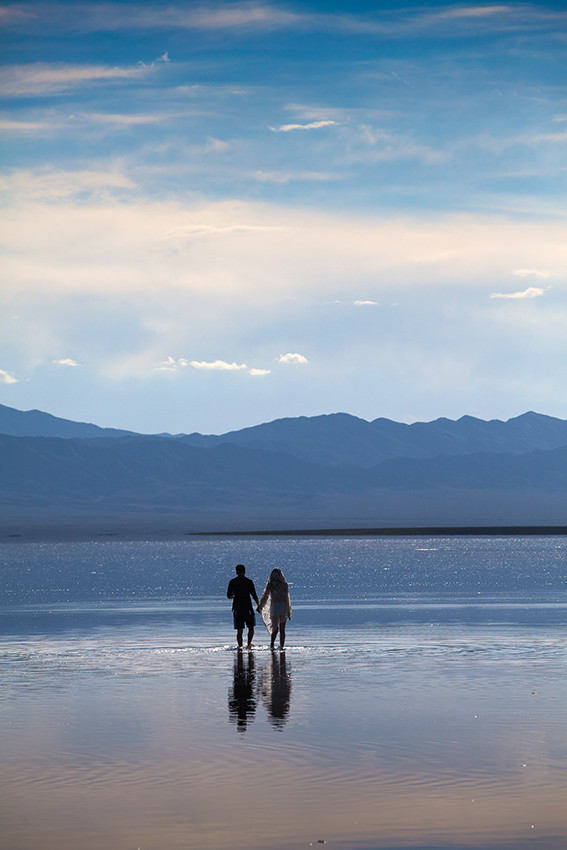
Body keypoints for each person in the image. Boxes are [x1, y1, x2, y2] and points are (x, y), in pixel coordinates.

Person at [257, 568, 292, 650]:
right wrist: (288, 611)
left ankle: (272, 644)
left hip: (274, 607)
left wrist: (260, 607)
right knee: (282, 629)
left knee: (275, 628)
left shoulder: (271, 585)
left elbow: (265, 597)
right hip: (283, 607)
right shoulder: (284, 585)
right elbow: (287, 599)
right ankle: (282, 646)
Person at [227, 564, 259, 649]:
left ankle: (240, 646)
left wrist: (234, 595)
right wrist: (259, 605)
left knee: (239, 630)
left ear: (236, 572)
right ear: (244, 572)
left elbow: (228, 596)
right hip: (248, 607)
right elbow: (254, 595)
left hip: (237, 608)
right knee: (251, 628)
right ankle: (249, 644)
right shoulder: (249, 581)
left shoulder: (232, 582)